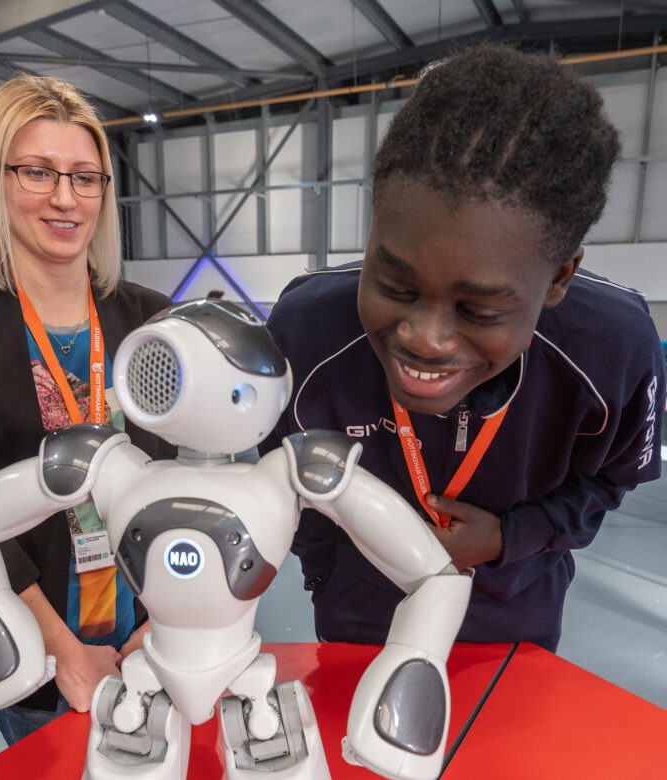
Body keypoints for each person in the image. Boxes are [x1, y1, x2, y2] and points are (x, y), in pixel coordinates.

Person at [265, 44, 664, 653]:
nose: (424, 339)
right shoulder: (307, 331)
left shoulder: (614, 348)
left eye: (479, 310)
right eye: (395, 285)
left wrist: (511, 536)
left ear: (559, 277)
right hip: (359, 620)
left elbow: (609, 481)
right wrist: (330, 573)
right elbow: (285, 482)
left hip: (512, 624)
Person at [0, 75, 173, 744]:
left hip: (154, 628)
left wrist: (167, 620)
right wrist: (60, 648)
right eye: (39, 172)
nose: (65, 198)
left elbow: (183, 476)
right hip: (37, 637)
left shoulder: (150, 320)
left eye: (85, 177)